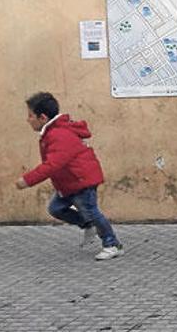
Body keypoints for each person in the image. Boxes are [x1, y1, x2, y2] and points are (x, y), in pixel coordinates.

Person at [15, 92, 123, 261]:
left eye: (30, 116)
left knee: (92, 211)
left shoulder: (58, 135)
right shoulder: (52, 132)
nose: (27, 120)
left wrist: (27, 180)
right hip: (69, 183)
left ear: (42, 117)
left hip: (81, 181)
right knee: (56, 209)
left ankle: (112, 244)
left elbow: (52, 165)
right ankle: (88, 224)